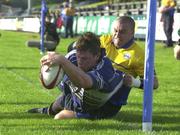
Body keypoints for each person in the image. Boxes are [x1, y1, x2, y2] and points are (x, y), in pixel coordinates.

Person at [28, 32, 133, 119]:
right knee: (64, 91)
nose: (80, 61)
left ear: (96, 56)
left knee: (60, 117)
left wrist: (62, 61)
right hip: (84, 96)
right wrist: (46, 68)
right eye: (79, 56)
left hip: (103, 105)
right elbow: (55, 67)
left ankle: (74, 111)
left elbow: (84, 82)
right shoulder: (73, 56)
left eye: (84, 59)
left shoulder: (104, 68)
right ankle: (48, 110)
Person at [67, 16, 159, 90]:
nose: (117, 35)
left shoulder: (139, 55)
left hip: (111, 94)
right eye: (115, 30)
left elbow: (154, 83)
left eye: (122, 32)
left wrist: (135, 82)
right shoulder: (105, 40)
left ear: (132, 33)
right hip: (91, 81)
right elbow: (79, 47)